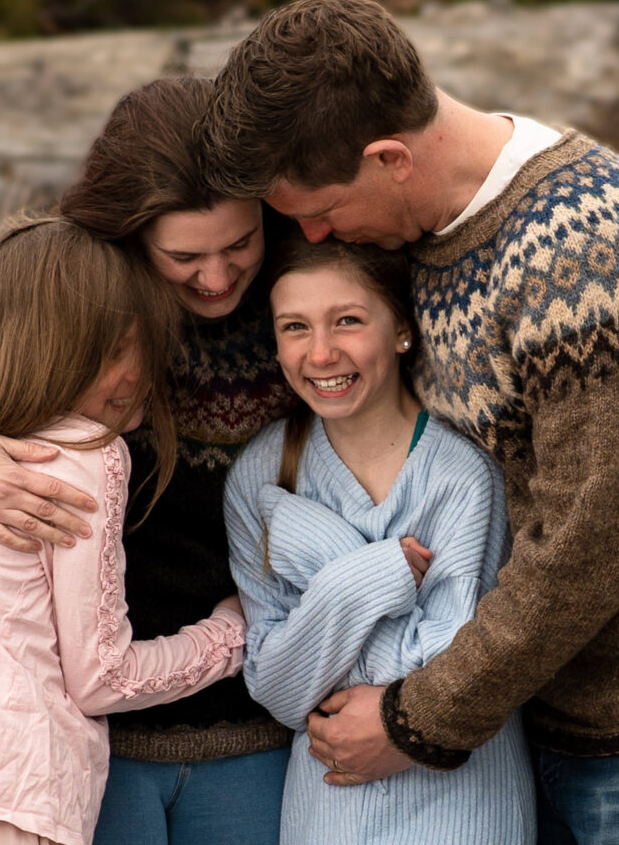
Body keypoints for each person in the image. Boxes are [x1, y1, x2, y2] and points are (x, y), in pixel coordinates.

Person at [198, 0, 619, 843]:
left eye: (317, 209)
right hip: (562, 708)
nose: (311, 233)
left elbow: (591, 537)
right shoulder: (430, 234)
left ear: (389, 158)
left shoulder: (584, 249)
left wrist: (414, 719)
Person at [0, 78, 296, 845]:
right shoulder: (55, 304)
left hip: (253, 736)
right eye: (184, 256)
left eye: (239, 245)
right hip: (87, 757)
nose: (216, 278)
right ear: (128, 234)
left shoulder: (299, 297)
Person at [0, 213, 247, 845]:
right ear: (54, 350)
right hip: (16, 807)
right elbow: (104, 677)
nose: (139, 370)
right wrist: (230, 634)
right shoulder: (87, 452)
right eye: (119, 348)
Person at [224, 233, 535, 844]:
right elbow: (280, 689)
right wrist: (369, 578)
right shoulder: (260, 477)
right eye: (295, 327)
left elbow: (455, 663)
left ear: (401, 329)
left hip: (464, 803)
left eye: (347, 321)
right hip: (328, 805)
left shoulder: (465, 471)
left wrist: (323, 598)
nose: (320, 353)